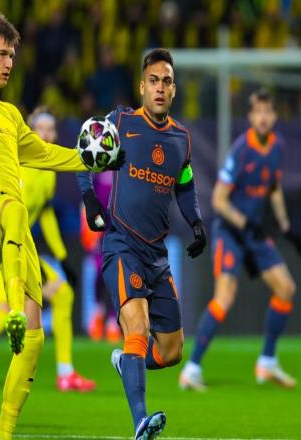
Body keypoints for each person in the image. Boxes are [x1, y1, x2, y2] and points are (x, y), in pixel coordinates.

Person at [0, 12, 121, 440]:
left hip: (14, 231)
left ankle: (4, 433)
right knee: (13, 207)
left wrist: (91, 159)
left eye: (13, 55)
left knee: (33, 341)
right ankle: (11, 309)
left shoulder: (12, 114)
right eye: (2, 53)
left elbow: (45, 154)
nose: (9, 62)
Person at [78, 48, 206, 440]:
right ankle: (140, 422)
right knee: (137, 325)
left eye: (166, 81)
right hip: (122, 246)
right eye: (153, 81)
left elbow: (185, 183)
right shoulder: (120, 122)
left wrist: (196, 222)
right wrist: (89, 200)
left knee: (171, 351)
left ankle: (127, 362)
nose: (160, 88)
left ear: (174, 89)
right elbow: (84, 151)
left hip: (157, 255)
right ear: (142, 87)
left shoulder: (181, 139)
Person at [0, 107, 96, 393]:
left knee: (62, 295)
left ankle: (66, 374)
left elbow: (46, 214)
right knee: (3, 312)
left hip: (22, 248)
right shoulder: (17, 164)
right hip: (1, 246)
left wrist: (63, 257)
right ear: (29, 132)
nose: (47, 134)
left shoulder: (47, 172)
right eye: (41, 129)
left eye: (51, 129)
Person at [179, 89, 300, 391]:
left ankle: (267, 362)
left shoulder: (277, 146)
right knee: (224, 298)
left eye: (268, 111)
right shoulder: (241, 150)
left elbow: (273, 188)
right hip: (231, 232)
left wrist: (286, 227)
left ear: (274, 116)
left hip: (254, 233)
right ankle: (192, 368)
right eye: (258, 112)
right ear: (250, 117)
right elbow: (218, 200)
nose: (263, 117)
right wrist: (246, 223)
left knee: (286, 288)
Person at [79, 171, 122, 343]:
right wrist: (86, 226)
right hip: (100, 227)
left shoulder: (124, 169)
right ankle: (98, 311)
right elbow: (87, 198)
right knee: (99, 272)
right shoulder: (98, 170)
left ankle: (113, 320)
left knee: (116, 275)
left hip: (119, 228)